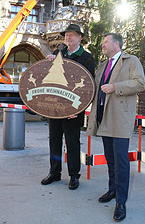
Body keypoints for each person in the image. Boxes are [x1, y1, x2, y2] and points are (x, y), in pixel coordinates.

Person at [87, 33, 145, 221]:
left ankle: (121, 201)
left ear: (117, 44)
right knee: (110, 159)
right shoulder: (103, 65)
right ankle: (112, 190)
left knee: (120, 161)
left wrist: (115, 86)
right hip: (103, 116)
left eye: (105, 42)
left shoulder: (131, 60)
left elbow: (140, 83)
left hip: (120, 118)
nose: (102, 44)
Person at [41, 24, 95, 190]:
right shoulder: (59, 54)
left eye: (72, 35)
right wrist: (49, 62)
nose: (68, 37)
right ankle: (54, 172)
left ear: (80, 37)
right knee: (54, 142)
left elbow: (88, 86)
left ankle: (73, 176)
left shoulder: (86, 58)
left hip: (73, 110)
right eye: (66, 35)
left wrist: (78, 109)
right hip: (56, 108)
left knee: (72, 143)